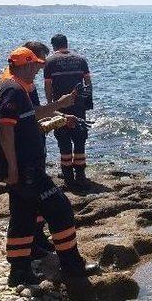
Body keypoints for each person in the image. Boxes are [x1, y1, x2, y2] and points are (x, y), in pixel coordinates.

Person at [0, 47, 97, 288]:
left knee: (23, 217)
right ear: (26, 65)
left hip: (21, 170)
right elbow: (4, 129)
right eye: (36, 66)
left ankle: (19, 272)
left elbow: (32, 114)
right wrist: (14, 167)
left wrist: (60, 106)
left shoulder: (13, 88)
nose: (38, 70)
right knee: (60, 210)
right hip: (27, 170)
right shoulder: (13, 90)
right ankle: (72, 266)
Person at [44, 34, 93, 189]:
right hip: (78, 105)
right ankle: (80, 174)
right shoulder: (81, 60)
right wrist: (88, 101)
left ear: (53, 46)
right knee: (80, 139)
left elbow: (48, 86)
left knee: (64, 141)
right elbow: (88, 82)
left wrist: (50, 106)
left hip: (60, 107)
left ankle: (68, 176)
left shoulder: (49, 62)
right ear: (66, 44)